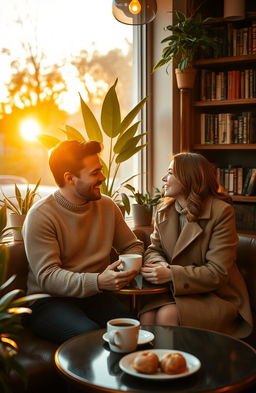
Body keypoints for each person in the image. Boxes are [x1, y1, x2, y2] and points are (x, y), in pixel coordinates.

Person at [23, 140, 143, 344]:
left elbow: (132, 245)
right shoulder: (41, 216)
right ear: (70, 178)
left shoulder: (106, 206)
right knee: (89, 336)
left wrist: (129, 266)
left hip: (94, 295)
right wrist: (98, 281)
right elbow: (48, 277)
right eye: (95, 173)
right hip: (48, 301)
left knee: (132, 329)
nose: (103, 177)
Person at [139, 152, 253, 338]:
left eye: (170, 173)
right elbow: (154, 249)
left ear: (188, 178)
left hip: (216, 295)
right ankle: (154, 366)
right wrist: (160, 264)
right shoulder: (163, 210)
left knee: (167, 315)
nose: (163, 178)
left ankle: (178, 367)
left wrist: (171, 274)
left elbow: (218, 273)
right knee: (147, 315)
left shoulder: (221, 212)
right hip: (177, 292)